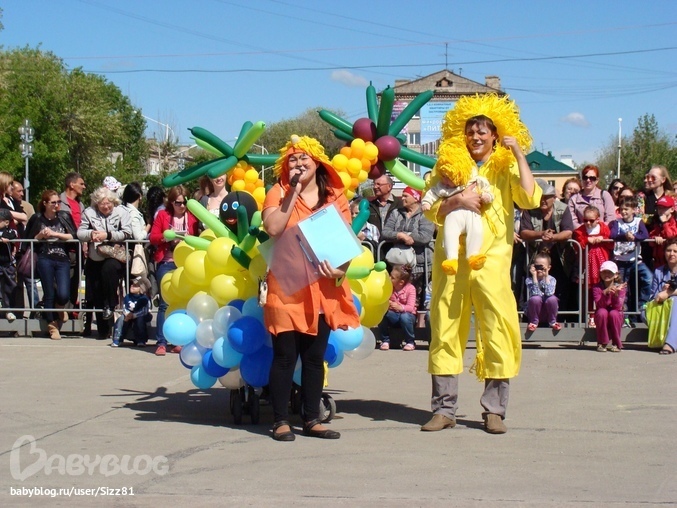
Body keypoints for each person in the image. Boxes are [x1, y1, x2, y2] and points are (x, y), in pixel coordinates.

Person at [421, 94, 541, 435]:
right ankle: (444, 410)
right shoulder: (447, 163)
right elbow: (429, 207)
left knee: (498, 330)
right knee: (444, 329)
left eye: (482, 131)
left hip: (491, 264)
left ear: (494, 134)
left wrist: (518, 151)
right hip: (451, 264)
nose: (475, 137)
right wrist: (457, 200)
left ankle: (494, 411)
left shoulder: (505, 165)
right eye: (470, 130)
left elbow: (530, 197)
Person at [262, 135, 359, 442]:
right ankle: (280, 420)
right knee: (285, 357)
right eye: (292, 159)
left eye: (305, 158)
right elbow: (274, 228)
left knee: (315, 358)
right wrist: (292, 191)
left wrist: (340, 269)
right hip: (287, 286)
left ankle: (311, 419)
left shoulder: (335, 198)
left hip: (323, 287)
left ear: (318, 163)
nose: (299, 163)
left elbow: (345, 244)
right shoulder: (277, 191)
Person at [149, 185, 199, 356]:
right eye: (178, 203)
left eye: (185, 202)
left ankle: (180, 340)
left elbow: (197, 236)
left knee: (185, 301)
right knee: (164, 302)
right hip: (167, 261)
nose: (182, 206)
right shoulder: (163, 215)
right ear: (171, 202)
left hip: (185, 264)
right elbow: (153, 237)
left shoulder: (191, 217)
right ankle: (161, 342)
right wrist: (166, 236)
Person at [77, 187, 132, 340]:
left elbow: (127, 233)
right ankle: (103, 329)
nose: (105, 206)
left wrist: (107, 235)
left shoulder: (122, 212)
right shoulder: (89, 213)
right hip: (96, 256)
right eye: (101, 204)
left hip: (115, 255)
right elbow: (80, 233)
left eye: (108, 203)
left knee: (109, 269)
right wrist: (91, 234)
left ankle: (111, 304)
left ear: (113, 201)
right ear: (96, 204)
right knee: (96, 290)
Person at [421, 164, 493, 275]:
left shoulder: (475, 181)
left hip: (472, 215)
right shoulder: (444, 187)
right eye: (443, 177)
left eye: (448, 177)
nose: (444, 180)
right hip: (453, 216)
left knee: (476, 231)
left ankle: (473, 255)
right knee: (450, 234)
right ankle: (451, 259)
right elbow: (432, 193)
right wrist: (426, 202)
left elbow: (487, 191)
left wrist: (486, 196)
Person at [25, 190, 77, 340]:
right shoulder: (37, 218)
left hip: (62, 258)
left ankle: (60, 307)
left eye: (58, 202)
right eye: (53, 202)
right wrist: (40, 235)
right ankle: (52, 325)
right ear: (45, 204)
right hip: (44, 258)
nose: (56, 205)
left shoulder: (63, 217)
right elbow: (29, 239)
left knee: (63, 294)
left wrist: (55, 235)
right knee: (49, 293)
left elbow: (73, 235)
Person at [519, 179, 575, 313]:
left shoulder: (563, 208)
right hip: (535, 258)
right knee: (534, 289)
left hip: (560, 259)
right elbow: (524, 232)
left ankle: (559, 318)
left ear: (554, 198)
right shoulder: (529, 209)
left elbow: (568, 232)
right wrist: (541, 233)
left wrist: (552, 237)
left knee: (560, 289)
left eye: (547, 198)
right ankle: (534, 317)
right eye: (540, 197)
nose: (543, 200)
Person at [381, 186, 435, 310]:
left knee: (418, 297)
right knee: (399, 296)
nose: (402, 198)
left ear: (416, 198)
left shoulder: (426, 213)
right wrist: (400, 235)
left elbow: (425, 236)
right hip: (398, 264)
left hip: (421, 264)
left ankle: (418, 326)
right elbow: (385, 232)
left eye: (406, 196)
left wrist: (407, 236)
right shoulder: (396, 212)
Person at [609, 195, 651, 321]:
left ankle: (642, 305)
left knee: (648, 279)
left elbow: (644, 234)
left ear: (634, 210)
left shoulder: (638, 222)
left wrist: (635, 237)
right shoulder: (617, 223)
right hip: (621, 261)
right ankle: (624, 316)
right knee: (622, 289)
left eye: (626, 209)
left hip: (635, 260)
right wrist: (625, 236)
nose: (624, 212)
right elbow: (613, 234)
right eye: (621, 209)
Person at [573, 205, 613, 327]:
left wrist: (603, 238)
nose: (588, 223)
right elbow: (577, 245)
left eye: (591, 220)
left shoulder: (604, 228)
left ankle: (607, 313)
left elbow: (611, 244)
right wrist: (586, 240)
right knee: (590, 291)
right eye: (585, 220)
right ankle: (591, 316)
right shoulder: (580, 230)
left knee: (605, 289)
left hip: (602, 263)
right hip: (588, 266)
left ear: (597, 219)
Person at [59, 172, 87, 319]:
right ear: (72, 184)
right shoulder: (58, 202)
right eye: (81, 183)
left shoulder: (80, 204)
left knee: (74, 282)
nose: (84, 186)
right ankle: (58, 315)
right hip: (63, 249)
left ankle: (69, 315)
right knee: (61, 284)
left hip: (78, 250)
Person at [647, 238, 677, 354]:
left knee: (675, 301)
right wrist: (662, 292)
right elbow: (653, 296)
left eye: (675, 251)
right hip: (662, 306)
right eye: (669, 251)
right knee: (645, 312)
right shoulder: (658, 271)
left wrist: (669, 293)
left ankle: (670, 344)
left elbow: (669, 295)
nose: (672, 254)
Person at [378, 264, 417, 351]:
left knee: (405, 316)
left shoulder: (411, 289)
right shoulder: (389, 288)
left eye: (392, 277)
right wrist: (387, 303)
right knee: (381, 313)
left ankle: (410, 342)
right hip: (394, 316)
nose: (389, 278)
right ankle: (385, 340)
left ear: (401, 282)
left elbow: (411, 308)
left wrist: (400, 307)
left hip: (408, 317)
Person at [567, 165, 615, 229]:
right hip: (581, 236)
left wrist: (597, 230)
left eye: (592, 178)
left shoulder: (605, 195)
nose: (588, 180)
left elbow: (611, 219)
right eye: (585, 177)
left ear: (597, 180)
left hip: (602, 236)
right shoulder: (573, 199)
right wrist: (585, 231)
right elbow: (572, 222)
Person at [593, 260, 626, 352]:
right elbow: (599, 305)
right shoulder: (597, 288)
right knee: (602, 312)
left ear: (616, 275)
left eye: (609, 272)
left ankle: (616, 343)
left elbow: (618, 307)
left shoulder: (621, 287)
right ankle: (602, 342)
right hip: (602, 314)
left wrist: (616, 294)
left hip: (615, 314)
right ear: (600, 273)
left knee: (614, 313)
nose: (606, 274)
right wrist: (605, 293)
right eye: (604, 272)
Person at [111, 275, 152, 348]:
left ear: (141, 288)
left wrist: (133, 315)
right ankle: (117, 339)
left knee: (140, 320)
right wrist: (127, 314)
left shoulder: (144, 299)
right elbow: (124, 307)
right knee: (121, 319)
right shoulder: (128, 296)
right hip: (128, 315)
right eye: (132, 284)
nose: (132, 286)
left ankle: (141, 340)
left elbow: (145, 311)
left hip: (141, 315)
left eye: (135, 286)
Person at [525, 252, 560, 332]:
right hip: (534, 311)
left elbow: (549, 293)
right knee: (535, 299)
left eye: (542, 267)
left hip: (547, 311)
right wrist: (534, 276)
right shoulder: (529, 280)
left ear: (549, 267)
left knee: (552, 299)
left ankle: (552, 321)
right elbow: (535, 293)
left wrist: (546, 276)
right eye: (537, 266)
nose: (539, 269)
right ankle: (534, 322)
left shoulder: (552, 279)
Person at [367, 174, 402, 242]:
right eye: (374, 184)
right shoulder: (370, 205)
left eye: (378, 184)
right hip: (375, 247)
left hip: (394, 246)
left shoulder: (400, 205)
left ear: (389, 186)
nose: (375, 187)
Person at [648, 195, 677, 269]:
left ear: (672, 209)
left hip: (672, 260)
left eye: (664, 208)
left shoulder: (674, 222)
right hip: (658, 261)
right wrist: (655, 238)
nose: (661, 211)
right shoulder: (656, 222)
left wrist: (665, 223)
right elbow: (650, 241)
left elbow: (671, 236)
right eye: (659, 208)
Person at [0, 208, 18, 322]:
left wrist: (5, 239)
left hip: (7, 264)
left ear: (6, 222)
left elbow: (13, 236)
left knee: (9, 287)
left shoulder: (11, 231)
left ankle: (8, 309)